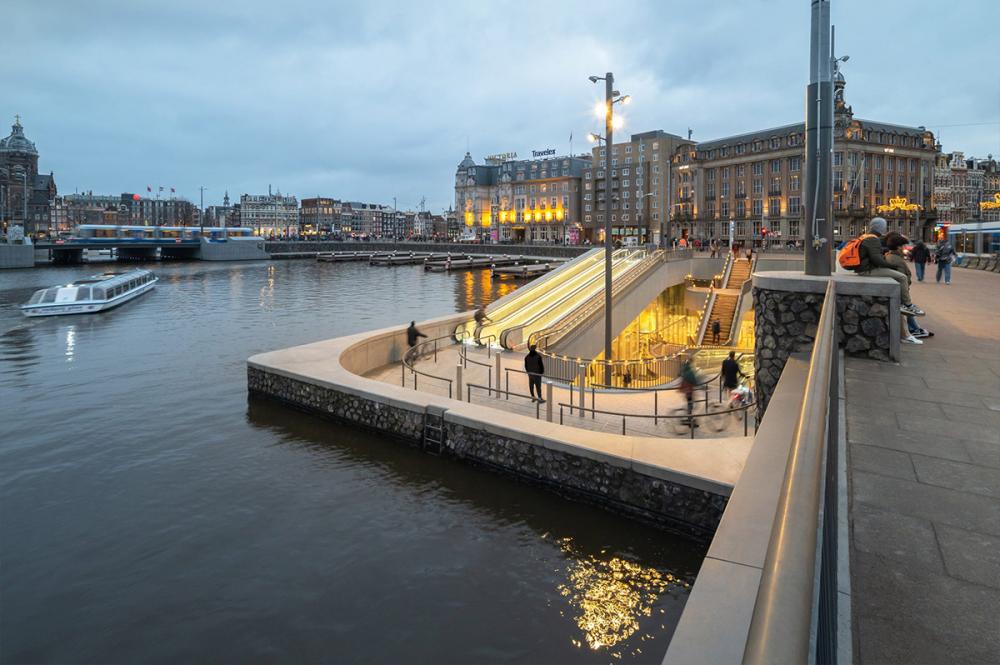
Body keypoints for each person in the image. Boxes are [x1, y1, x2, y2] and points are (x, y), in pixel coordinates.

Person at [849, 217, 924, 317]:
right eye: (884, 227)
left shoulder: (866, 236)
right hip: (867, 270)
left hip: (863, 268)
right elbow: (877, 259)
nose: (885, 230)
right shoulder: (872, 239)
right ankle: (907, 305)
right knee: (902, 277)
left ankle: (906, 305)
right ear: (880, 228)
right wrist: (892, 266)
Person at [883, 233, 928, 345]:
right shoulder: (896, 260)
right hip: (899, 292)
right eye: (903, 246)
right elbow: (902, 276)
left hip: (899, 291)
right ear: (898, 247)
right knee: (905, 311)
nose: (905, 249)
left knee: (906, 312)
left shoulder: (891, 256)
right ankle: (907, 335)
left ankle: (912, 330)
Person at [679, 359, 699, 427]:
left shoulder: (685, 370)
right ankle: (689, 420)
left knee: (690, 405)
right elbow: (695, 382)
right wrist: (702, 387)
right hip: (689, 391)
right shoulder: (690, 372)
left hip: (686, 391)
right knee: (690, 406)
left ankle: (689, 418)